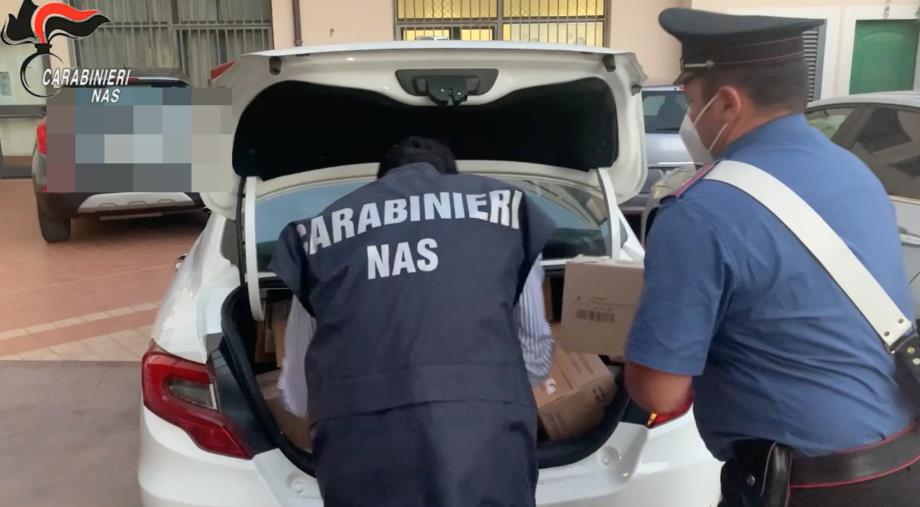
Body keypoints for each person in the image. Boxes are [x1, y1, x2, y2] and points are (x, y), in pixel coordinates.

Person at [623, 8, 920, 507]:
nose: (689, 119)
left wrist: (634, 344)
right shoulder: (854, 172)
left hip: (806, 487)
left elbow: (660, 392)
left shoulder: (700, 212)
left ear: (727, 103)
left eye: (691, 102)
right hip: (902, 465)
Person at [270, 136, 556, 507]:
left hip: (362, 447)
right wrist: (490, 393)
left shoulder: (317, 238)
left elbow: (300, 388)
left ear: (379, 184)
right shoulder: (505, 217)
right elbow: (534, 349)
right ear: (452, 180)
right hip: (487, 438)